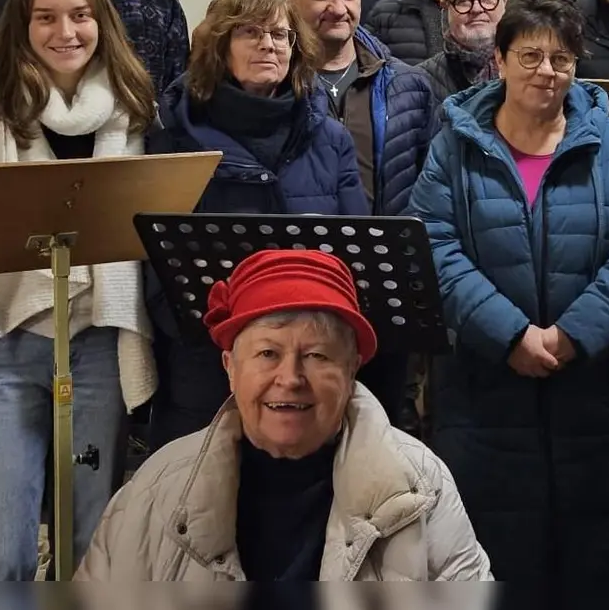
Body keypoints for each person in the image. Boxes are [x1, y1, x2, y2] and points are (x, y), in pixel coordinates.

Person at [408, 0, 609, 589]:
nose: (546, 71)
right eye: (529, 56)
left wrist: (572, 336)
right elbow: (434, 248)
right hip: (485, 393)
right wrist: (509, 335)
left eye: (561, 58)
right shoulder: (454, 149)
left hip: (598, 393)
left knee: (598, 564)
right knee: (497, 562)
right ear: (497, 61)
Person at [0, 0, 158, 579]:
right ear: (22, 26)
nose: (67, 32)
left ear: (100, 21)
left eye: (81, 15)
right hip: (5, 339)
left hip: (97, 338)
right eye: (46, 18)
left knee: (92, 530)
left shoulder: (132, 106)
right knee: (1, 541)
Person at [75, 249, 493, 581]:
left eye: (317, 355)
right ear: (230, 368)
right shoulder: (156, 488)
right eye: (267, 353)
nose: (290, 378)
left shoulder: (420, 485)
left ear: (351, 372)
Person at [145, 0, 370, 448]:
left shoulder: (329, 137)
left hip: (307, 357)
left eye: (281, 35)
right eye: (252, 32)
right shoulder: (175, 134)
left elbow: (355, 251)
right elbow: (158, 262)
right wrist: (215, 338)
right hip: (206, 355)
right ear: (220, 47)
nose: (269, 44)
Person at [289, 0, 440, 426]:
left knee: (383, 432)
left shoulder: (408, 85)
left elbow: (427, 187)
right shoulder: (273, 85)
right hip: (301, 294)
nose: (338, 7)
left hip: (382, 293)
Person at [419, 0, 507, 102]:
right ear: (446, 7)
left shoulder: (530, 70)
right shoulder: (420, 81)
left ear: (505, 0)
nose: (477, 9)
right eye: (463, 0)